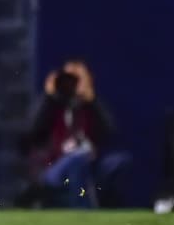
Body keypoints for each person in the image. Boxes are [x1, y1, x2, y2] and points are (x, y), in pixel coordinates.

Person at [24, 60, 129, 208]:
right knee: (77, 157)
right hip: (54, 167)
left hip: (88, 167)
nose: (70, 85)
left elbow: (109, 130)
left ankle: (87, 207)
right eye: (67, 80)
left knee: (111, 160)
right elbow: (33, 130)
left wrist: (92, 101)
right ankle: (85, 210)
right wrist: (48, 96)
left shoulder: (89, 109)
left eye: (76, 80)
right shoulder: (52, 107)